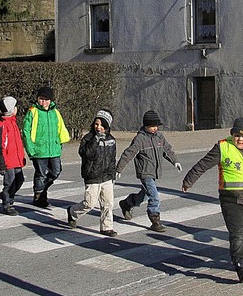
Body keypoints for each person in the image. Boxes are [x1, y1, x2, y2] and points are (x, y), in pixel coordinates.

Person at [182, 117, 243, 283]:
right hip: (230, 199)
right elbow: (203, 164)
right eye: (236, 135)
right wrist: (189, 180)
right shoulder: (223, 147)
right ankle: (242, 266)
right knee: (237, 233)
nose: (239, 139)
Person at [115, 110, 182, 232]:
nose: (155, 128)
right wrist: (119, 168)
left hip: (154, 171)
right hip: (145, 172)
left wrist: (175, 161)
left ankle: (127, 203)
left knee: (145, 195)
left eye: (156, 126)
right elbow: (129, 153)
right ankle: (155, 220)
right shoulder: (140, 139)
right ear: (146, 126)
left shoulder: (159, 137)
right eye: (152, 126)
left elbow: (167, 150)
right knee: (154, 196)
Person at [66, 109, 117, 237]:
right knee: (89, 203)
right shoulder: (88, 138)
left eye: (101, 125)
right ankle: (72, 212)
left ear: (107, 126)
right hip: (92, 176)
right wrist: (95, 140)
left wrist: (113, 174)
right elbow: (85, 154)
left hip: (106, 177)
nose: (98, 127)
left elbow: (112, 159)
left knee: (108, 203)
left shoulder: (111, 140)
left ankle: (107, 227)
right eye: (96, 124)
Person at [22, 86, 70, 207]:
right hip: (39, 150)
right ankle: (39, 197)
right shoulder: (33, 112)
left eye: (46, 99)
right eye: (41, 99)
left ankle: (42, 189)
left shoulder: (55, 112)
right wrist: (30, 149)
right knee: (41, 174)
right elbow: (26, 131)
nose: (43, 102)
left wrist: (59, 145)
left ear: (51, 100)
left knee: (56, 171)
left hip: (54, 150)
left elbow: (61, 129)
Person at [0, 96, 26, 216]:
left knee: (20, 179)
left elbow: (17, 143)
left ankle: (7, 195)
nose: (17, 109)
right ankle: (7, 203)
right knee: (9, 182)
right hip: (7, 161)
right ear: (11, 109)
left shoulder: (13, 122)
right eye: (15, 107)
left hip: (15, 159)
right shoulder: (1, 125)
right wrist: (1, 164)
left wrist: (21, 157)